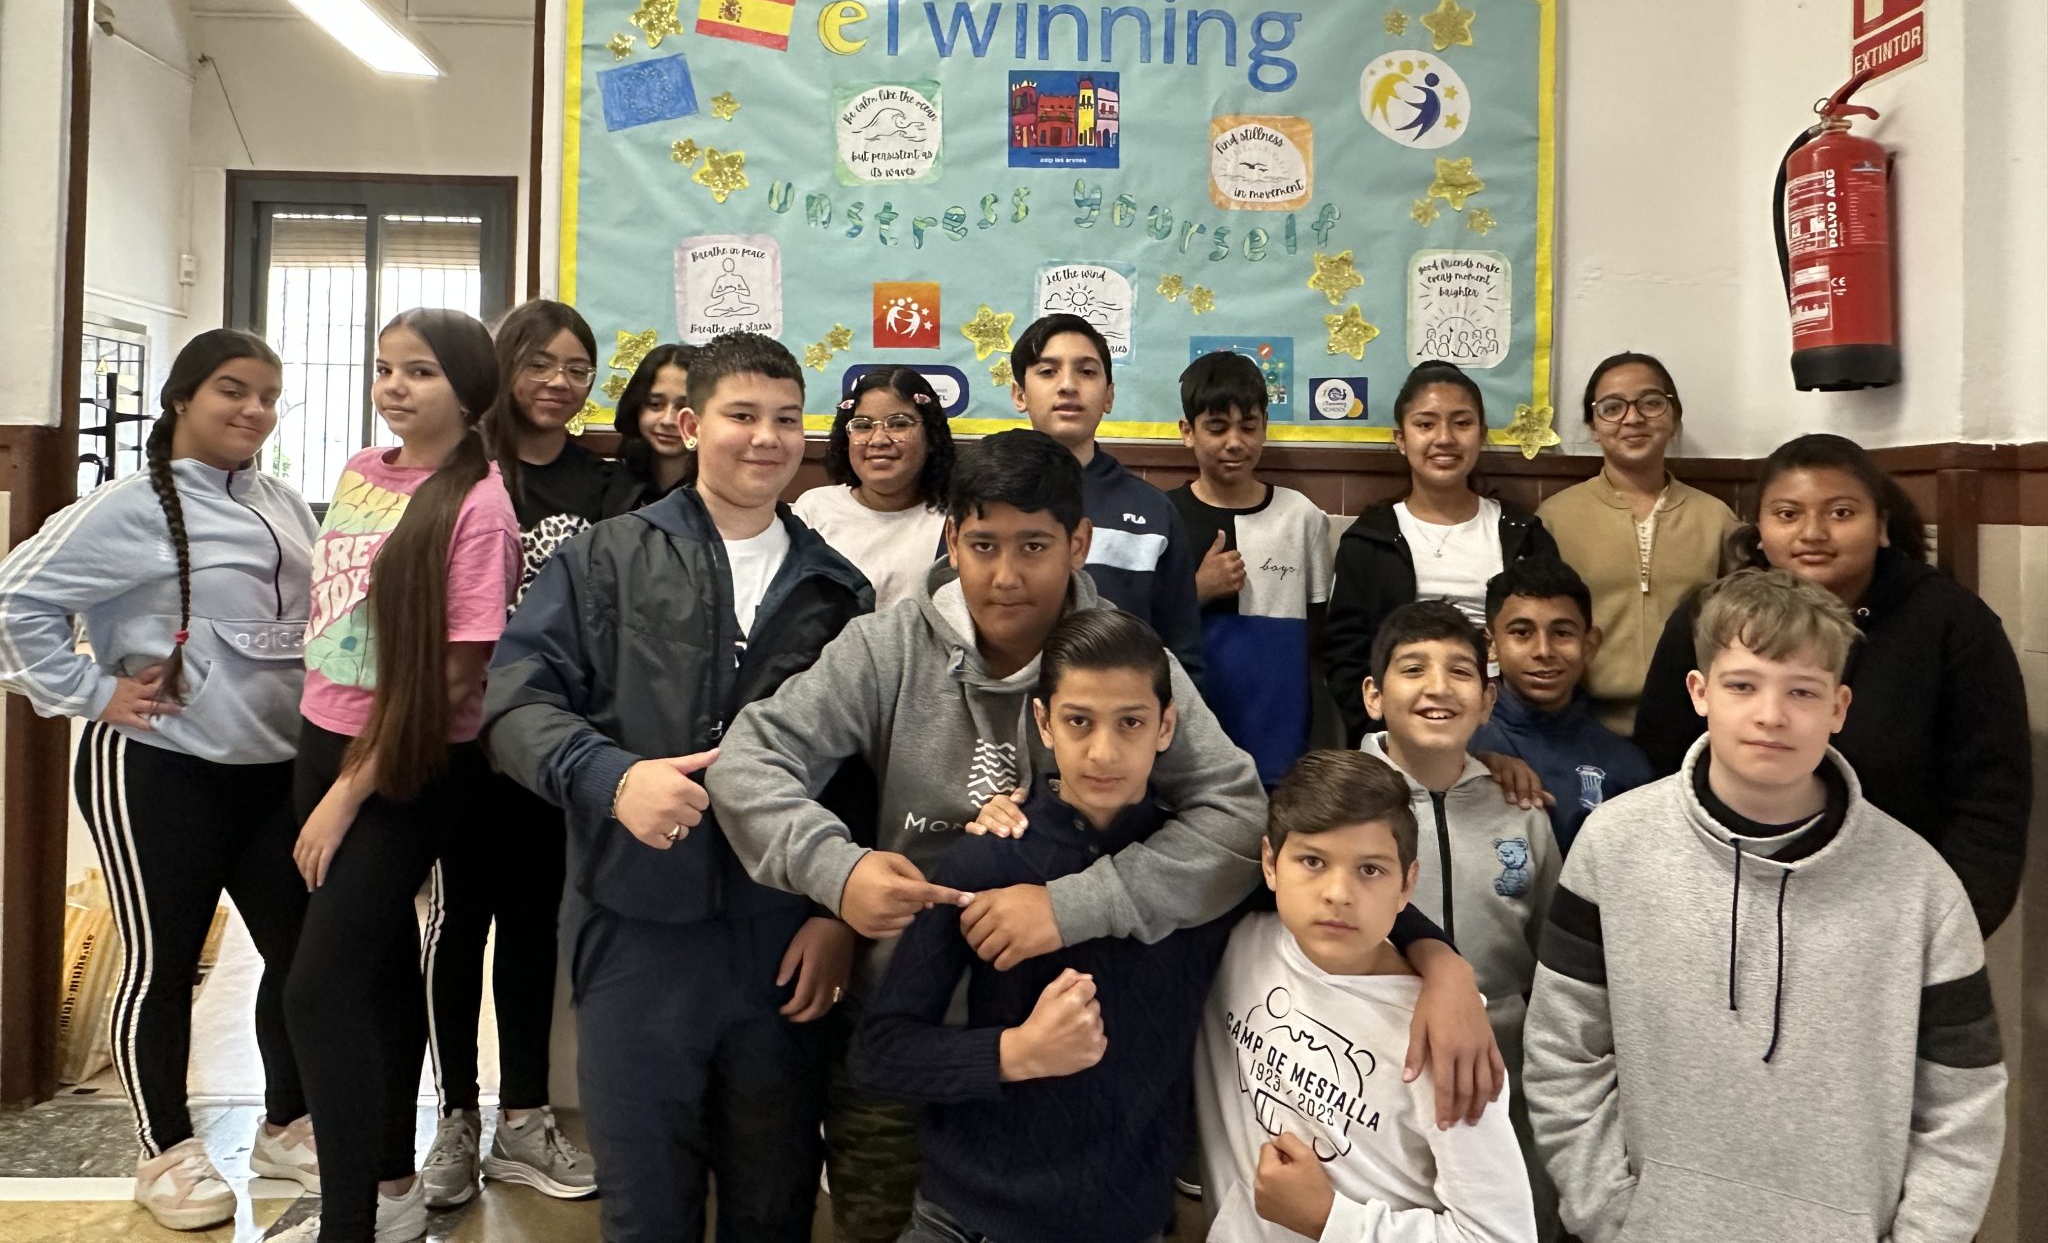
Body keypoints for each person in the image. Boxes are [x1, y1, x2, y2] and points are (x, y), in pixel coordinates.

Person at [709, 429, 1504, 1243]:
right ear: (951, 540)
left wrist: (1433, 956)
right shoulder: (885, 649)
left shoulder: (1128, 661)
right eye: (983, 545)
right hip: (909, 1022)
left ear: (1079, 542)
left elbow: (1246, 826)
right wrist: (836, 875)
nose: (1006, 575)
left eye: (1034, 546)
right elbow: (747, 763)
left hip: (1082, 1053)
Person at [482, 330, 867, 1243]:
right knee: (647, 1203)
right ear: (692, 426)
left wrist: (837, 915)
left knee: (773, 1199)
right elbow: (513, 706)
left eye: (787, 419)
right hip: (635, 927)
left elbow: (860, 767)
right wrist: (611, 778)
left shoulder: (835, 589)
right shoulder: (605, 559)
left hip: (781, 939)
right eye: (743, 415)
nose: (766, 438)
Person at [1525, 568, 2007, 1243]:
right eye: (1743, 685)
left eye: (1802, 691)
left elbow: (1963, 1103)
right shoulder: (1614, 846)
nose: (1771, 715)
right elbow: (1563, 1053)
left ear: (1839, 707)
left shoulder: (1920, 887)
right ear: (1700, 693)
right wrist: (1615, 1217)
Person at [0, 330, 320, 1231]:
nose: (254, 410)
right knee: (164, 961)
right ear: (182, 397)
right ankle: (166, 1151)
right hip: (158, 770)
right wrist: (91, 692)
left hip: (276, 774)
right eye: (233, 390)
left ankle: (287, 1123)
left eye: (269, 396)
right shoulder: (127, 507)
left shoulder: (283, 502)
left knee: (300, 953)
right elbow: (13, 600)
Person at [852, 609, 1235, 1243]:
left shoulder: (1208, 873)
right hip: (964, 1218)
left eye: (1131, 722)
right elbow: (879, 1055)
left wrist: (1419, 949)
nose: (1103, 752)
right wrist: (1015, 1053)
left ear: (1167, 726)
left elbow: (1328, 893)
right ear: (1043, 723)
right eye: (1079, 721)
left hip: (1124, 1223)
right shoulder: (987, 860)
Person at [276, 308, 520, 1243]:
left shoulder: (481, 504)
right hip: (320, 737)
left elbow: (457, 677)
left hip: (404, 763)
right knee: (374, 973)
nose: (394, 387)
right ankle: (388, 1190)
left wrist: (349, 791)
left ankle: (346, 1224)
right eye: (385, 368)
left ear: (469, 390)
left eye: (419, 371)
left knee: (314, 991)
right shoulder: (361, 472)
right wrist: (323, 768)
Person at [1634, 432, 2031, 936]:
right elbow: (1660, 764)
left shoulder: (1952, 624)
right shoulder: (1708, 618)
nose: (1813, 533)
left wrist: (1943, 935)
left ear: (1882, 526)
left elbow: (1990, 804)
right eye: (1787, 514)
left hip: (1896, 912)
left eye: (1841, 513)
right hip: (1723, 905)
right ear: (1759, 530)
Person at [420, 300, 613, 1208]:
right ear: (505, 367)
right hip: (458, 733)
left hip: (547, 737)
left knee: (535, 926)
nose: (559, 383)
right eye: (541, 363)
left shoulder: (601, 482)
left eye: (577, 369)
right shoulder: (462, 469)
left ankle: (524, 1120)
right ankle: (455, 1115)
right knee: (458, 924)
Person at [1196, 750, 1536, 1243]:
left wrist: (1329, 1220)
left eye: (1371, 870)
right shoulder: (1237, 943)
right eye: (1313, 861)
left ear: (1407, 884)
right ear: (1270, 863)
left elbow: (1501, 1235)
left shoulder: (1447, 1037)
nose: (1338, 892)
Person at [1361, 600, 1561, 1236]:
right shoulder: (1340, 805)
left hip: (1507, 1066)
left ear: (1488, 700)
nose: (1438, 687)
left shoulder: (1521, 809)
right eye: (1413, 668)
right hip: (1380, 1062)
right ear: (1373, 695)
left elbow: (1553, 956)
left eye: (1459, 671)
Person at [1325, 361, 1556, 745]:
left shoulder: (1523, 534)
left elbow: (1549, 642)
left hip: (1513, 732)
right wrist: (1391, 737)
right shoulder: (1369, 540)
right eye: (1425, 424)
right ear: (1401, 439)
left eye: (1461, 423)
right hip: (1403, 732)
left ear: (1481, 434)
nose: (1444, 438)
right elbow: (1345, 657)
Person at [1536, 353, 1736, 731]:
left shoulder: (1716, 518)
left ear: (1674, 416)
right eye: (1612, 408)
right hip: (1581, 723)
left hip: (1692, 720)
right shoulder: (1555, 517)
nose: (1632, 418)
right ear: (1592, 426)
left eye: (1651, 402)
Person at [1009, 312, 1205, 683]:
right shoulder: (984, 496)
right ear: (1020, 394)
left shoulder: (1153, 511)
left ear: (1109, 396)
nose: (1068, 385)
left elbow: (1181, 656)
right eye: (1048, 371)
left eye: (1086, 372)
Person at [1167, 350, 1332, 785]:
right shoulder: (1164, 517)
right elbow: (1142, 631)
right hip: (1188, 745)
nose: (1235, 442)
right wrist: (1196, 591)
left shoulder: (1301, 516)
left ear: (1265, 426)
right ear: (1187, 432)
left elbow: (1320, 638)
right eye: (1217, 427)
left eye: (1248, 426)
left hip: (1282, 743)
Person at [1470, 557, 1655, 853]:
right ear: (1490, 645)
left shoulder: (1625, 766)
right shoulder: (1460, 743)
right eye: (1522, 632)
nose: (1543, 651)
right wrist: (1475, 763)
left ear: (1590, 645)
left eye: (1562, 633)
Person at [794, 365, 955, 610]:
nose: (878, 440)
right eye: (863, 425)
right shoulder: (814, 510)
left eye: (898, 424)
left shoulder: (954, 518)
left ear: (931, 436)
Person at [608, 342, 696, 512]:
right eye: (655, 404)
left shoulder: (723, 493)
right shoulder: (609, 484)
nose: (668, 420)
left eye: (684, 407)